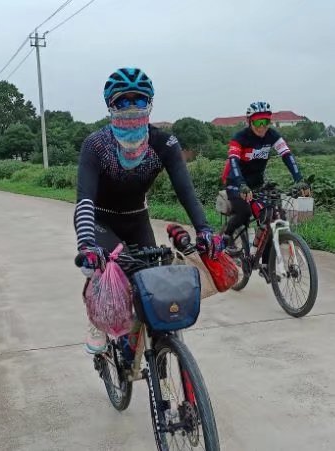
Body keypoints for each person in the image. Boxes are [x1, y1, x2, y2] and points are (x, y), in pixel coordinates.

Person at [74, 67, 224, 354]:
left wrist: (204, 229)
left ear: (150, 104)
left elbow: (186, 191)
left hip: (137, 219)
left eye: (139, 101)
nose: (132, 108)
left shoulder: (164, 143)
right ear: (110, 106)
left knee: (152, 288)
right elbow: (84, 200)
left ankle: (160, 351)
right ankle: (98, 320)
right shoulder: (95, 145)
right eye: (123, 101)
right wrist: (86, 245)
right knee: (107, 271)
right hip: (99, 220)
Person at [220, 101, 309, 253]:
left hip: (256, 183)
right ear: (250, 122)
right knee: (244, 213)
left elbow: (287, 155)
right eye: (258, 122)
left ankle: (267, 266)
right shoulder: (240, 138)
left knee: (269, 218)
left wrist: (299, 179)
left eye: (266, 121)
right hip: (236, 182)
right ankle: (225, 238)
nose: (262, 126)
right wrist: (241, 184)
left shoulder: (272, 135)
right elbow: (233, 161)